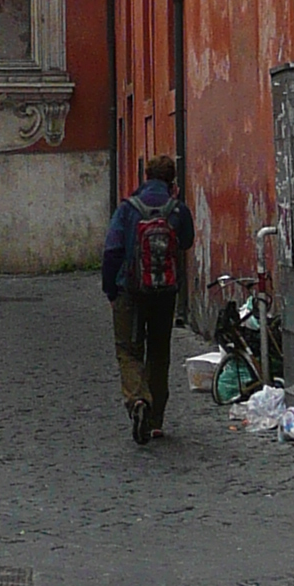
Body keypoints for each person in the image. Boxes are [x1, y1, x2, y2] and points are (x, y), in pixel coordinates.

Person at [102, 153, 194, 446]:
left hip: (129, 290)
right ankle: (155, 421)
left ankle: (137, 399)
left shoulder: (128, 209)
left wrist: (110, 289)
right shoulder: (177, 209)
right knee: (158, 352)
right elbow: (188, 240)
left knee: (128, 350)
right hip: (164, 292)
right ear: (172, 181)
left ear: (145, 176)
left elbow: (112, 250)